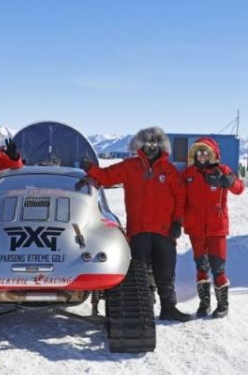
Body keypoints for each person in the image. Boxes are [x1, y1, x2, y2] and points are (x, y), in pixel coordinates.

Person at [81, 126, 191, 322]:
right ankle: (144, 308)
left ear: (161, 146)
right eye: (147, 144)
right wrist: (91, 169)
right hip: (139, 230)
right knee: (139, 271)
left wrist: (177, 221)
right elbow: (106, 177)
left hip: (164, 231)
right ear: (140, 146)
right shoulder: (129, 166)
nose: (151, 148)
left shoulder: (170, 170)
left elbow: (180, 196)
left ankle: (169, 307)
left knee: (165, 271)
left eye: (155, 144)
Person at [181, 137, 244, 318]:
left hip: (217, 229)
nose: (202, 156)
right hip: (196, 229)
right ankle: (204, 304)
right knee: (201, 267)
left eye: (206, 152)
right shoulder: (188, 174)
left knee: (218, 268)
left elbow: (240, 188)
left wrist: (228, 182)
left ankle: (223, 305)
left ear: (213, 154)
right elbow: (179, 198)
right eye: (199, 152)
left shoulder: (222, 171)